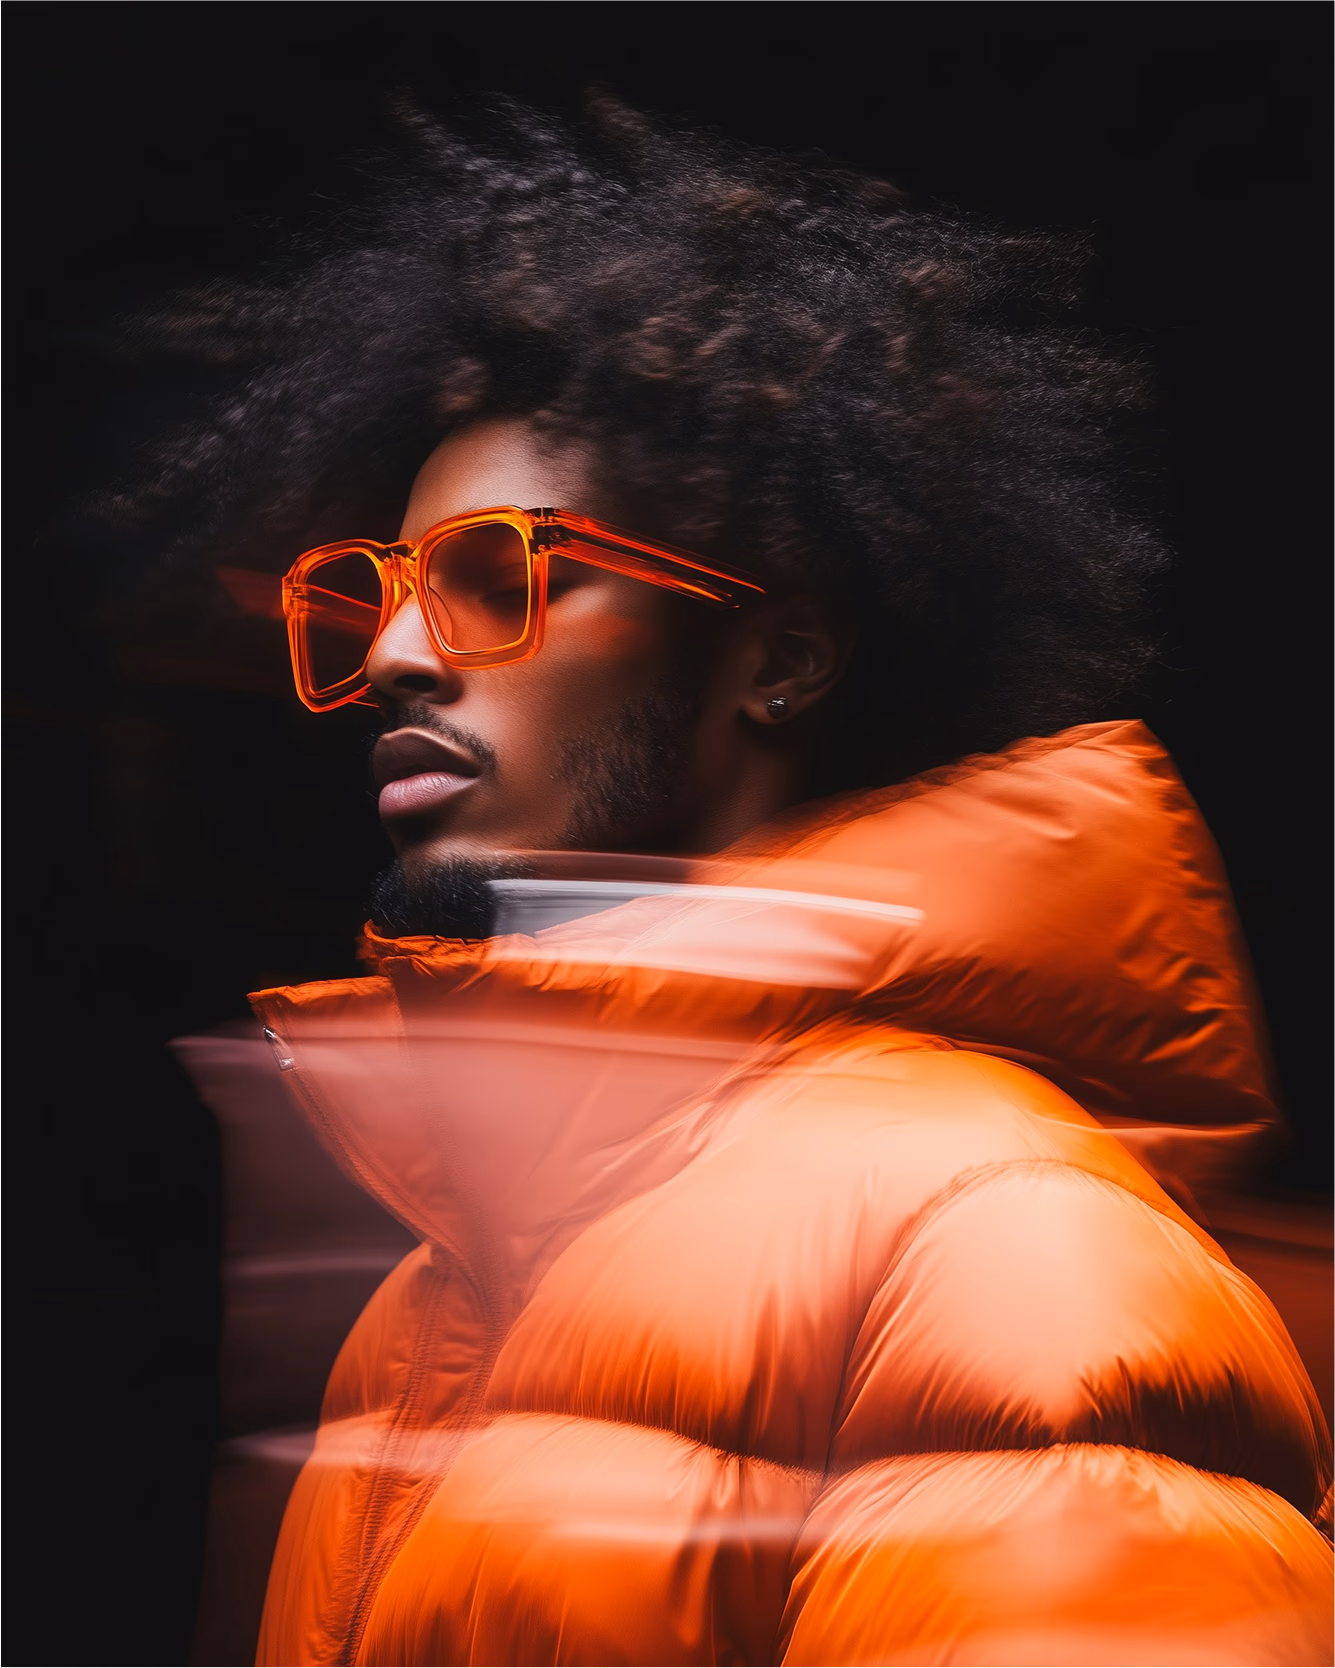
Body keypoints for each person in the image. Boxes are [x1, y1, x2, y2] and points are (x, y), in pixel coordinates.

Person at [137, 97, 1334, 1664]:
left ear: (776, 657)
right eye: (373, 596)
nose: (391, 655)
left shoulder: (992, 1239)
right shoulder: (434, 1291)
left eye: (503, 577)